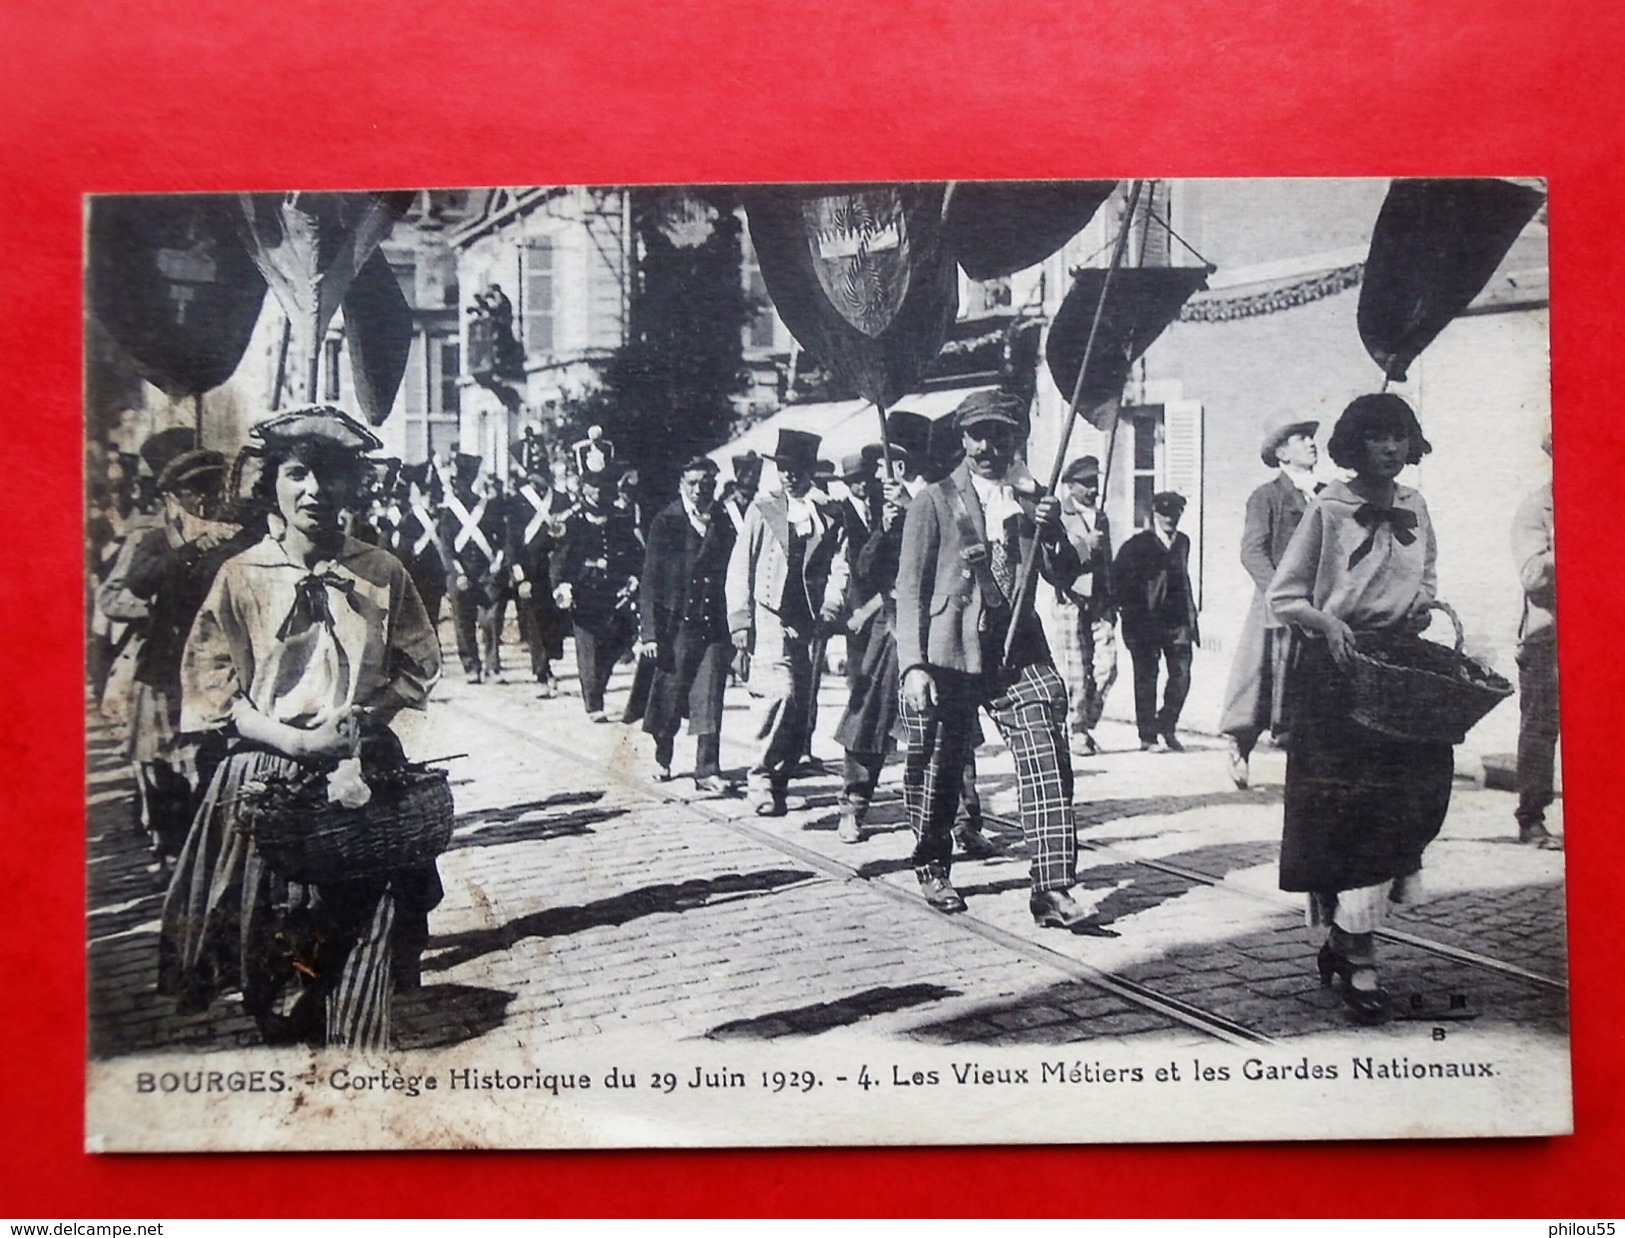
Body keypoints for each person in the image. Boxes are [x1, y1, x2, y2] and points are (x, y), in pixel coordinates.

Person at [158, 405, 442, 1049]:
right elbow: (213, 684)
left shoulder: (382, 572)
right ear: (273, 486)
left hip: (361, 770)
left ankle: (356, 1047)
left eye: (331, 475)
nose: (315, 490)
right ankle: (283, 1029)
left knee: (363, 923)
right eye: (297, 474)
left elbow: (418, 662)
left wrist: (369, 718)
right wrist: (292, 738)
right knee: (274, 928)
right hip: (268, 769)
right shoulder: (241, 576)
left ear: (351, 486)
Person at [1268, 392, 1448, 1024]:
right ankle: (1361, 958)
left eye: (1400, 436)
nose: (1391, 448)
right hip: (1338, 677)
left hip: (1398, 673)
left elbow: (1426, 578)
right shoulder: (1329, 508)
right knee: (1352, 819)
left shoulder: (1416, 507)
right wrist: (1326, 623)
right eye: (1377, 436)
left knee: (1409, 809)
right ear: (1354, 444)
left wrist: (1422, 604)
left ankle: (1347, 940)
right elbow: (1283, 594)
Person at [895, 390, 1093, 924]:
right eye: (977, 434)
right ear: (962, 438)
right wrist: (913, 665)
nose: (986, 446)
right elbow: (909, 591)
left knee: (1048, 761)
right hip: (949, 656)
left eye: (999, 434)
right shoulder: (933, 500)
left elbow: (1065, 572)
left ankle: (1051, 888)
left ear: (1016, 438)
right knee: (939, 768)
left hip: (1019, 652)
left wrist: (1051, 529)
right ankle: (933, 865)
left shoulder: (1035, 500)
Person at [118, 449, 244, 866]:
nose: (204, 504)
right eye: (194, 495)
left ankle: (199, 852)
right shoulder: (154, 541)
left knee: (205, 763)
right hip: (163, 672)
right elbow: (136, 582)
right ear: (173, 500)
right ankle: (169, 850)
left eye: (211, 492)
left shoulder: (235, 539)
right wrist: (191, 548)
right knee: (162, 766)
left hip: (214, 672)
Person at [726, 429, 848, 816]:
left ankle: (779, 779)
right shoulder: (762, 510)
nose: (789, 476)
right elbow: (740, 565)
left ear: (811, 470)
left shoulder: (829, 514)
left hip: (810, 619)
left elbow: (838, 568)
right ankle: (760, 779)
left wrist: (832, 604)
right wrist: (740, 618)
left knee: (801, 706)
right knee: (775, 694)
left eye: (796, 469)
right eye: (783, 468)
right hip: (769, 614)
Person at [1219, 418, 1321, 787]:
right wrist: (1281, 591)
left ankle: (1305, 762)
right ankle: (1239, 748)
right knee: (1261, 686)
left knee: (1309, 687)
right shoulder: (1267, 496)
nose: (1311, 443)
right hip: (1277, 609)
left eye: (1312, 438)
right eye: (1302, 438)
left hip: (1321, 607)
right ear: (1281, 452)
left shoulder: (1327, 495)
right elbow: (1252, 552)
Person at [635, 457, 736, 793]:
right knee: (670, 695)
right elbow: (649, 581)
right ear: (682, 484)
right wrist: (649, 633)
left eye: (706, 483)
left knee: (709, 697)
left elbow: (734, 573)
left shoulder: (723, 521)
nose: (699, 490)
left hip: (713, 628)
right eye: (692, 483)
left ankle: (707, 770)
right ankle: (663, 754)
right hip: (674, 627)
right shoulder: (666, 522)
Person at [1113, 491, 1200, 752]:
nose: (1169, 518)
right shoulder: (1137, 545)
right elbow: (1118, 581)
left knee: (1182, 676)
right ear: (1154, 514)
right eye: (1164, 513)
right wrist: (1131, 615)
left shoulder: (1183, 542)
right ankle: (1148, 737)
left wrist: (1192, 618)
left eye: (1174, 513)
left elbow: (1183, 581)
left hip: (1178, 621)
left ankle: (1167, 725)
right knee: (1146, 678)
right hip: (1146, 623)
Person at [555, 467, 643, 721]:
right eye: (593, 486)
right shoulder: (572, 520)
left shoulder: (619, 516)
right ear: (584, 489)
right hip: (584, 590)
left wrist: (634, 577)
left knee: (620, 640)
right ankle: (593, 704)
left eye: (603, 485)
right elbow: (562, 558)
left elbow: (634, 552)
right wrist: (563, 585)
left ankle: (598, 686)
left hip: (614, 590)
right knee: (588, 648)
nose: (598, 491)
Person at [1511, 434, 1562, 850]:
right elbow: (1532, 576)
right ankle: (1531, 818)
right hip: (1549, 636)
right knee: (1541, 729)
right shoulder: (1536, 510)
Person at [1052, 455, 1117, 756]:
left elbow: (1108, 561)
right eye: (1086, 483)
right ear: (1069, 486)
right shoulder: (1058, 516)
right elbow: (1052, 560)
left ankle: (1086, 722)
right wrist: (1083, 547)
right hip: (1070, 599)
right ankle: (1076, 731)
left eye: (1095, 483)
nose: (1093, 489)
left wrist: (1112, 598)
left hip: (1100, 601)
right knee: (1076, 670)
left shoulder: (1100, 516)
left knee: (1107, 666)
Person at [505, 453, 572, 697]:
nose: (540, 479)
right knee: (534, 622)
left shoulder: (562, 499)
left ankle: (550, 661)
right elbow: (512, 542)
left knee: (555, 622)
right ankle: (542, 672)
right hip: (532, 571)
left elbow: (569, 538)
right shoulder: (516, 502)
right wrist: (520, 576)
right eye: (536, 475)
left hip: (557, 571)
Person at [438, 453, 508, 683]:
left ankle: (492, 663)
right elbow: (446, 548)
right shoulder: (449, 513)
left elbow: (502, 539)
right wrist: (458, 573)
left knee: (492, 619)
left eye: (467, 482)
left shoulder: (488, 508)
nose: (464, 487)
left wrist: (498, 560)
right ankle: (471, 666)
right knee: (463, 622)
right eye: (461, 483)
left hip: (487, 572)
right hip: (461, 574)